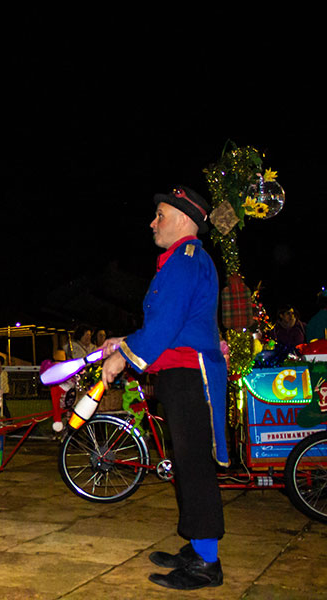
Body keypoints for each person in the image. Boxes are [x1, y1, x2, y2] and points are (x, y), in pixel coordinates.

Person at [100, 186, 227, 590]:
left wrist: (123, 358)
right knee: (186, 462)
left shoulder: (185, 261)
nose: (152, 222)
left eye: (160, 215)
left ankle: (208, 563)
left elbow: (166, 324)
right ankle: (197, 546)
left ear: (185, 220)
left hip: (190, 375)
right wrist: (123, 342)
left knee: (192, 465)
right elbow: (169, 326)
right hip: (181, 373)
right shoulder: (181, 261)